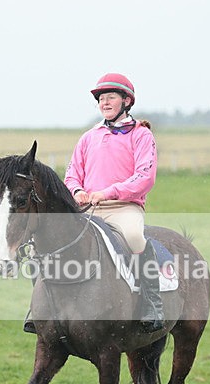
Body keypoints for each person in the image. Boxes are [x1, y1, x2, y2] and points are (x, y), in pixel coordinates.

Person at [63, 73, 164, 333]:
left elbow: (145, 177)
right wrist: (76, 191)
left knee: (134, 237)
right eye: (101, 99)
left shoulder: (141, 135)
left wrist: (108, 192)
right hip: (87, 209)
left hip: (124, 207)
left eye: (110, 98)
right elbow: (72, 173)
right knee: (56, 239)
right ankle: (43, 308)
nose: (105, 103)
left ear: (126, 101)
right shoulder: (88, 137)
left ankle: (152, 303)